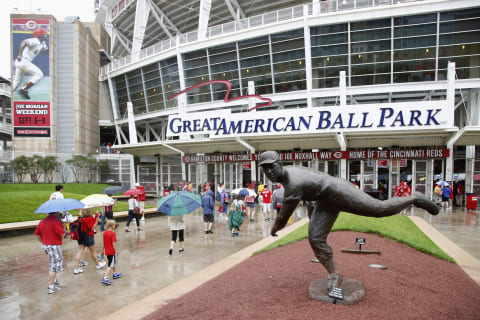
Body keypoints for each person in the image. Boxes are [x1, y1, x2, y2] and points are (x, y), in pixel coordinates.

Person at [258, 151, 439, 290]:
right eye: (265, 169)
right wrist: (312, 210)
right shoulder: (289, 177)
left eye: (271, 166)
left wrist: (274, 228)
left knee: (378, 209)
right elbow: (311, 190)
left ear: (280, 164)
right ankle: (334, 274)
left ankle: (414, 198)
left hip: (339, 191)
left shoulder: (293, 181)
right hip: (324, 200)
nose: (269, 172)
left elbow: (284, 216)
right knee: (315, 238)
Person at [34, 211, 65, 294]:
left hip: (46, 246)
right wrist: (65, 228)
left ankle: (54, 282)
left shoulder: (42, 221)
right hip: (54, 246)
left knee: (52, 263)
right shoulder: (56, 222)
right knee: (54, 266)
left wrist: (43, 242)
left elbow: (37, 235)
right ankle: (51, 286)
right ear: (56, 213)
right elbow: (62, 234)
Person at [13, 28, 48, 99]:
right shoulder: (35, 40)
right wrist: (19, 54)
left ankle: (9, 94)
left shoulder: (42, 43)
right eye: (44, 34)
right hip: (23, 60)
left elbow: (45, 51)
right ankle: (24, 88)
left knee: (16, 82)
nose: (46, 35)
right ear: (39, 35)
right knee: (39, 74)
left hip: (22, 62)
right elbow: (24, 42)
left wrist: (45, 49)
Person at [73, 209, 106, 274]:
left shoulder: (81, 218)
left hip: (81, 237)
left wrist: (95, 217)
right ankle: (98, 265)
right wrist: (96, 220)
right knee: (93, 252)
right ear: (88, 212)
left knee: (79, 252)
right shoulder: (88, 218)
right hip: (88, 237)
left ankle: (76, 269)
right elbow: (93, 227)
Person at [101, 220, 122, 285]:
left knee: (113, 262)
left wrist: (102, 250)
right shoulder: (112, 233)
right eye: (114, 225)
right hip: (112, 251)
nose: (115, 226)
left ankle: (115, 273)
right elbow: (114, 243)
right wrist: (116, 251)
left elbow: (104, 242)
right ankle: (105, 278)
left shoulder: (105, 233)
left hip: (107, 251)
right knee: (110, 264)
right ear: (111, 226)